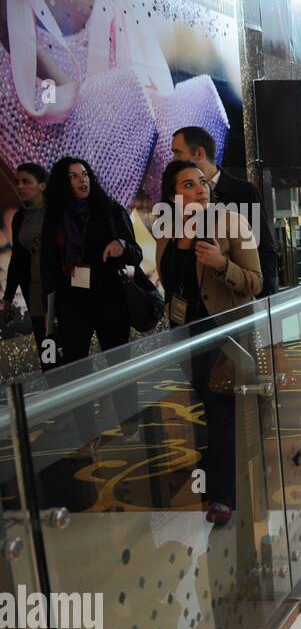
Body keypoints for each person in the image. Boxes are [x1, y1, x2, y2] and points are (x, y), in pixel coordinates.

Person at [156, 159, 262, 525]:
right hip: (186, 338)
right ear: (174, 194)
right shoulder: (168, 232)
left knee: (220, 414)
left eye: (202, 181)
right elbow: (172, 286)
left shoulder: (233, 223)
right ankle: (216, 475)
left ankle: (222, 497)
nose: (201, 188)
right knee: (206, 413)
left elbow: (255, 282)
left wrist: (221, 264)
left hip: (225, 336)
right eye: (189, 184)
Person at [40, 157, 142, 375]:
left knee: (121, 371)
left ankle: (128, 411)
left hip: (111, 303)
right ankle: (82, 411)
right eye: (73, 176)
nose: (81, 180)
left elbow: (136, 254)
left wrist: (122, 244)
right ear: (62, 183)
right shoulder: (54, 219)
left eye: (85, 174)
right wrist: (50, 316)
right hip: (72, 308)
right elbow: (48, 269)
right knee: (75, 374)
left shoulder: (111, 211)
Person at [171, 126, 279, 297]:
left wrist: (264, 303)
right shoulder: (177, 199)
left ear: (199, 153)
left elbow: (264, 248)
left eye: (177, 153)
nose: (173, 160)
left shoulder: (243, 192)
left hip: (235, 306)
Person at [2, 163, 53, 368]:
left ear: (42, 186)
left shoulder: (56, 214)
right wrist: (8, 297)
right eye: (17, 182)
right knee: (47, 353)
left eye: (26, 182)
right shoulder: (20, 217)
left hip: (60, 293)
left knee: (67, 349)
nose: (20, 186)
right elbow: (18, 259)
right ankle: (57, 393)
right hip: (35, 294)